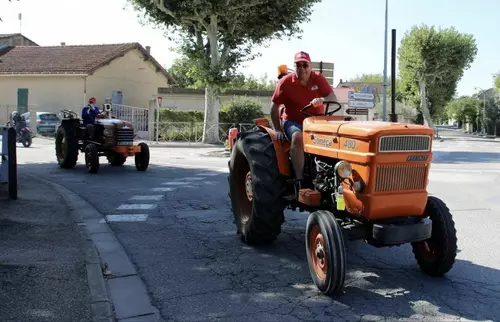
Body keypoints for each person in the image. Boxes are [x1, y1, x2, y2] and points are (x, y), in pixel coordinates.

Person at [270, 51, 337, 191]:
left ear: (310, 66)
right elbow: (274, 106)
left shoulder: (318, 78)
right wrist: (277, 129)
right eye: (298, 65)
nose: (302, 68)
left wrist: (322, 100)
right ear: (294, 67)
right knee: (298, 136)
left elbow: (333, 97)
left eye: (305, 65)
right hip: (293, 121)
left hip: (316, 122)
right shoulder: (286, 82)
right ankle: (299, 181)